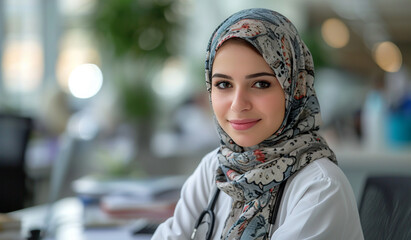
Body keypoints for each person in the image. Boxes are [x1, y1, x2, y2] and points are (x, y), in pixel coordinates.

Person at [152, 8, 364, 240]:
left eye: (261, 84)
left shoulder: (321, 188)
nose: (238, 105)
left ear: (295, 88)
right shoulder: (214, 169)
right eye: (223, 84)